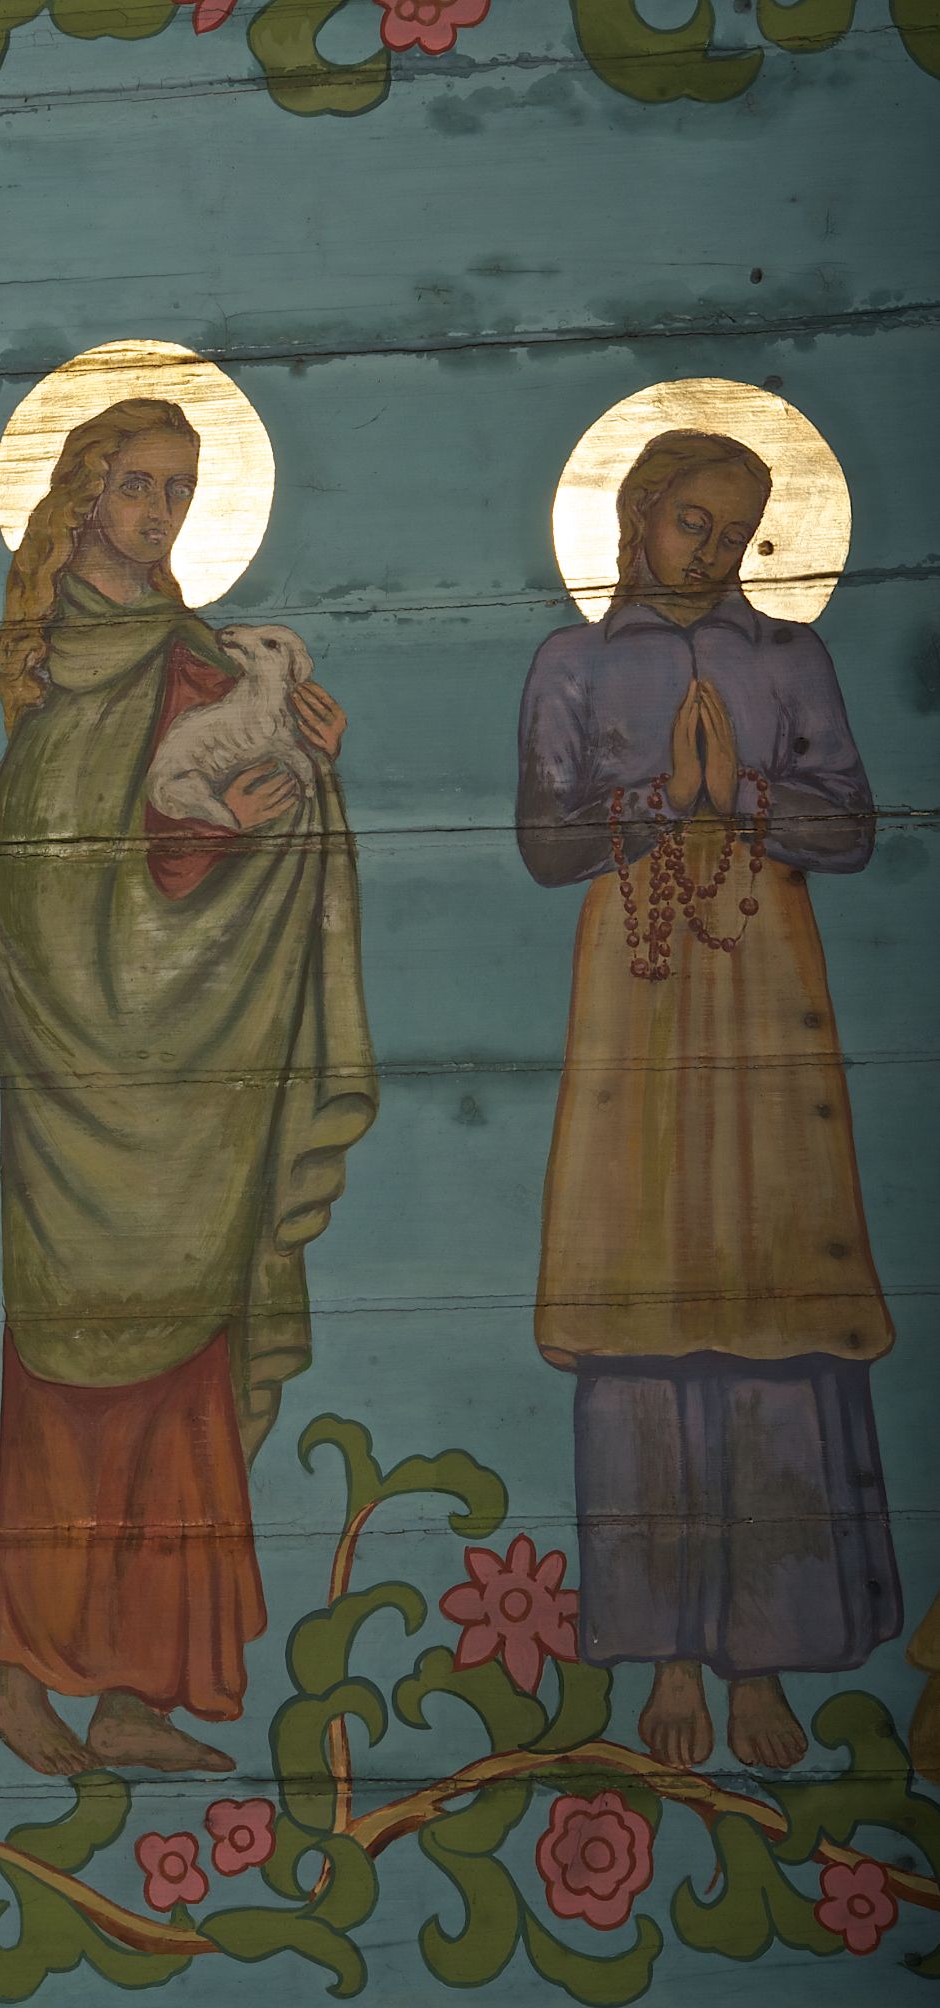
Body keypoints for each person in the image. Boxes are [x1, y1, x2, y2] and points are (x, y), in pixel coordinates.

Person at [0, 396, 376, 1776]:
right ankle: (18, 1669)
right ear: (81, 497)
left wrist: (306, 774)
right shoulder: (60, 672)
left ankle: (139, 1694)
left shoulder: (200, 651)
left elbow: (243, 810)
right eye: (137, 486)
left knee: (188, 1377)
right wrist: (191, 834)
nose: (158, 515)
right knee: (69, 1369)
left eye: (180, 490)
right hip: (83, 1096)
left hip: (201, 1094)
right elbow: (44, 883)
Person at [517, 428, 901, 1772]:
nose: (715, 550)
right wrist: (650, 803)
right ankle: (670, 1652)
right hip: (637, 995)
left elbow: (852, 825)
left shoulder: (788, 658)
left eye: (739, 533)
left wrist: (742, 795)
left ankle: (763, 1660)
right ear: (637, 514)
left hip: (764, 995)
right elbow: (544, 843)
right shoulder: (572, 663)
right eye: (694, 521)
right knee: (643, 1295)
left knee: (771, 1298)